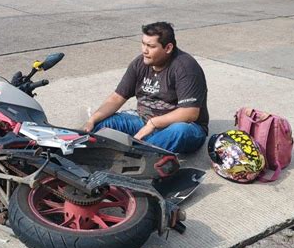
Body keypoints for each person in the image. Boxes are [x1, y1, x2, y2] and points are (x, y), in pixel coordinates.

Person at [83, 22, 209, 153]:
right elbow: (116, 98)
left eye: (151, 46)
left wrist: (154, 124)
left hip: (183, 128)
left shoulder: (185, 68)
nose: (144, 50)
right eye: (143, 43)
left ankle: (134, 156)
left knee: (180, 131)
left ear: (168, 48)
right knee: (100, 124)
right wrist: (92, 120)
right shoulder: (140, 63)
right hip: (143, 122)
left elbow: (190, 113)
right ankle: (81, 153)